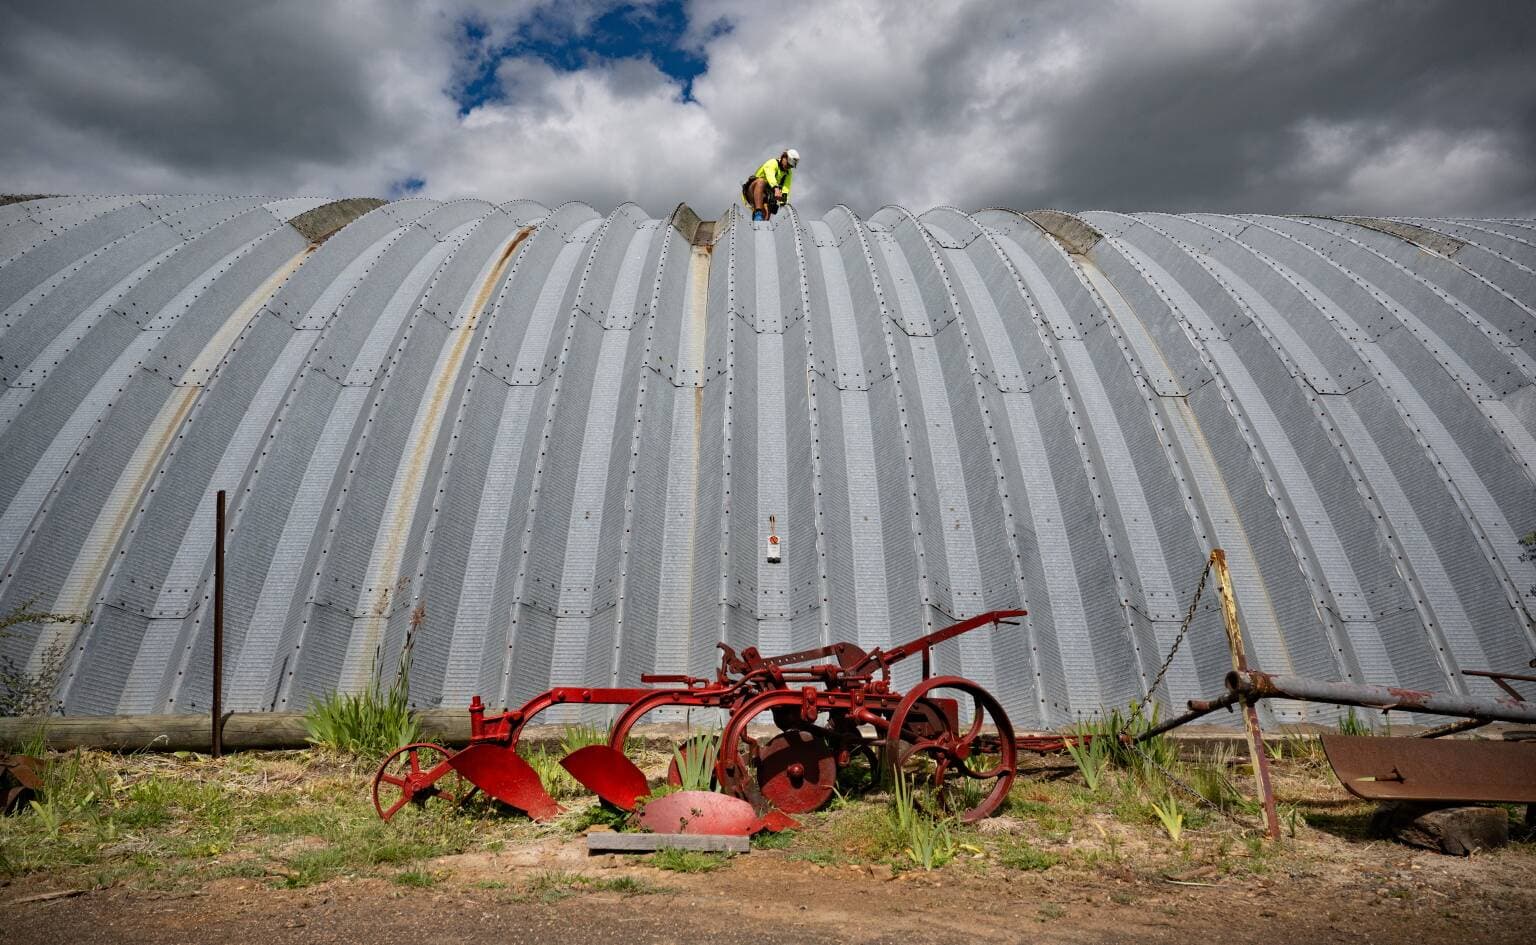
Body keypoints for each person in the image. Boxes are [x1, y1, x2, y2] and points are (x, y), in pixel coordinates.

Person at [742, 148, 799, 221]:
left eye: (791, 166)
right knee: (761, 181)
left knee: (765, 216)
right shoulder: (772, 163)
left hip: (766, 196)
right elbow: (770, 176)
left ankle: (760, 221)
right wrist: (776, 188)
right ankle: (758, 212)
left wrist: (783, 202)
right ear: (783, 157)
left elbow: (786, 188)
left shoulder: (788, 173)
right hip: (753, 191)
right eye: (788, 164)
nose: (788, 167)